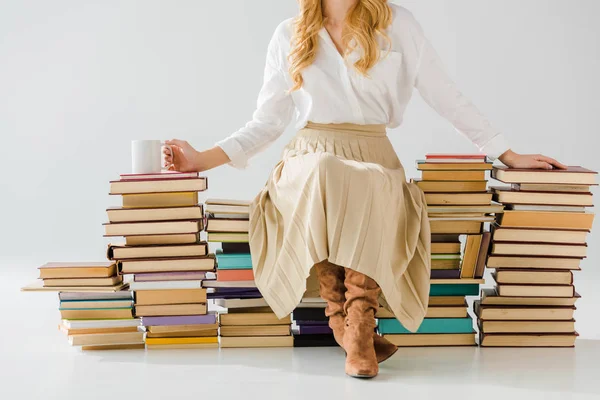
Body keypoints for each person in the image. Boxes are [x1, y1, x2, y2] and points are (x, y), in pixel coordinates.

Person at [164, 0, 565, 379]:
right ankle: (349, 327)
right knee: (326, 169)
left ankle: (355, 324)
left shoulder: (398, 24)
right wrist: (202, 159)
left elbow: (446, 96)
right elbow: (267, 122)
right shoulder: (289, 34)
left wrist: (505, 153)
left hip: (373, 156)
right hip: (309, 157)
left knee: (364, 179)